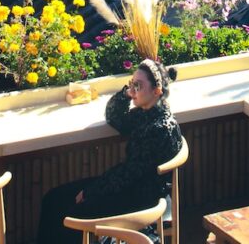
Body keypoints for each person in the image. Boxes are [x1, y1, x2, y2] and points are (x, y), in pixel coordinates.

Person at [36, 59, 182, 244]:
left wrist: (91, 192)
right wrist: (127, 94)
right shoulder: (147, 113)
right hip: (130, 186)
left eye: (139, 86)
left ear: (157, 91)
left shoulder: (159, 128)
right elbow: (114, 117)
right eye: (132, 84)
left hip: (140, 198)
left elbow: (127, 175)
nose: (134, 89)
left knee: (71, 214)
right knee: (53, 198)